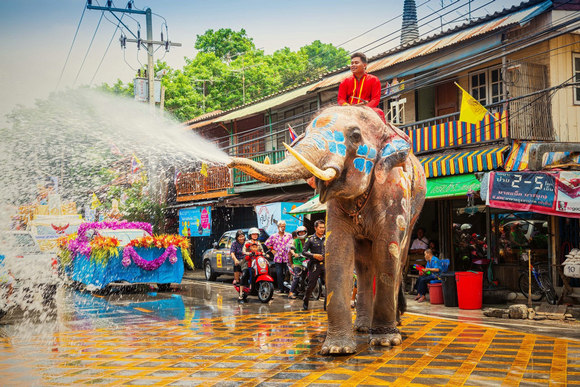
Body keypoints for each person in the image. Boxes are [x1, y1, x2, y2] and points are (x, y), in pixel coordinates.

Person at [337, 52, 385, 123]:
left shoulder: (374, 80)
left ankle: (386, 134)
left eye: (356, 63)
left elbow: (375, 99)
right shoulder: (345, 81)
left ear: (364, 65)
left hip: (367, 109)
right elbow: (341, 99)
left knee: (379, 112)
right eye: (352, 63)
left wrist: (364, 109)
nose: (353, 65)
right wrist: (347, 106)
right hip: (349, 110)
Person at [302, 220, 326, 311]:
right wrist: (314, 255)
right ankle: (306, 300)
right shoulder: (311, 239)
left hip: (325, 265)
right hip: (314, 266)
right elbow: (303, 252)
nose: (322, 229)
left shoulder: (327, 238)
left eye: (323, 227)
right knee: (311, 285)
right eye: (320, 227)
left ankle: (326, 306)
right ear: (315, 228)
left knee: (328, 285)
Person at [265, 220, 293, 294]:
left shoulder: (289, 235)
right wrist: (272, 251)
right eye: (281, 226)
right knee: (279, 273)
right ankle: (281, 288)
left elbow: (293, 244)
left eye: (284, 226)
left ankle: (288, 288)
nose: (283, 228)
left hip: (287, 257)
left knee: (287, 273)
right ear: (278, 227)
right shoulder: (273, 236)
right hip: (278, 258)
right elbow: (267, 243)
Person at [288, 226, 308, 299]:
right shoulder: (295, 241)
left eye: (303, 232)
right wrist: (294, 254)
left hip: (306, 260)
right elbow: (291, 249)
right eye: (300, 232)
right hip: (297, 261)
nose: (302, 233)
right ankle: (291, 293)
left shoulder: (308, 240)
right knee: (297, 276)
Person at [230, 230, 247, 302]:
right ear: (237, 238)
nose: (241, 238)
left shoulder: (247, 243)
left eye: (242, 236)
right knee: (236, 266)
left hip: (247, 260)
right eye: (240, 237)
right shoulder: (234, 244)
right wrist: (235, 260)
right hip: (238, 260)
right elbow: (232, 253)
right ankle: (237, 280)